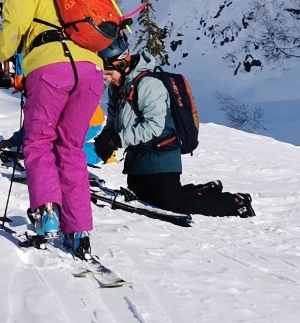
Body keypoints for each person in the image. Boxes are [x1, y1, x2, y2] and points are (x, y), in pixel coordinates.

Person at [0, 0, 101, 251]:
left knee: (39, 142)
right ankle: (79, 230)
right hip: (90, 70)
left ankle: (47, 217)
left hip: (52, 69)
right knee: (71, 148)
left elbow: (12, 32)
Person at [91, 54, 254, 217]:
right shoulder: (118, 88)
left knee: (174, 206)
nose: (108, 79)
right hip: (137, 156)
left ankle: (236, 203)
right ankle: (201, 191)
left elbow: (153, 126)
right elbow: (113, 119)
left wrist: (117, 140)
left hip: (161, 154)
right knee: (144, 203)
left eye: (109, 74)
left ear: (121, 66)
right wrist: (106, 137)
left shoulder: (149, 84)